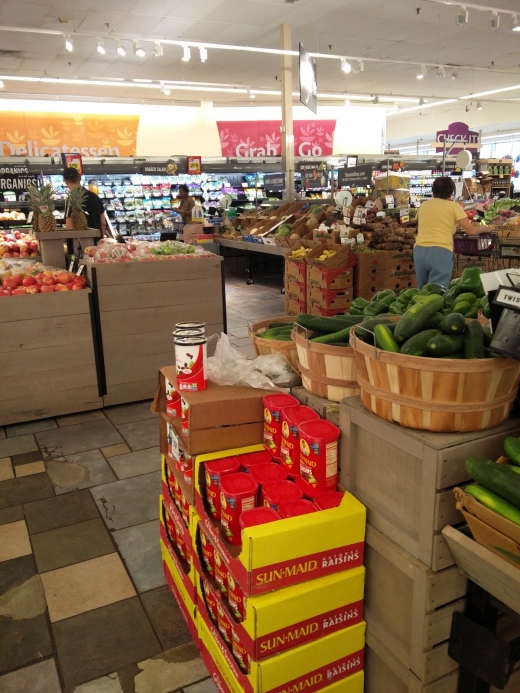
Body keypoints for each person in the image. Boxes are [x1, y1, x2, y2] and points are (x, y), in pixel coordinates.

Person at [413, 177, 488, 289]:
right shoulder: (454, 206)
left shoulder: (424, 205)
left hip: (419, 250)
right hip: (440, 251)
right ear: (451, 193)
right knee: (436, 293)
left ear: (433, 191)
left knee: (422, 291)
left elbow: (425, 222)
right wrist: (486, 228)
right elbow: (471, 230)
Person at [63, 167, 106, 236]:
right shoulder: (95, 196)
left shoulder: (71, 199)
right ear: (79, 178)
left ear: (66, 181)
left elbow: (69, 226)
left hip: (79, 242)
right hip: (97, 240)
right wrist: (102, 238)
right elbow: (103, 223)